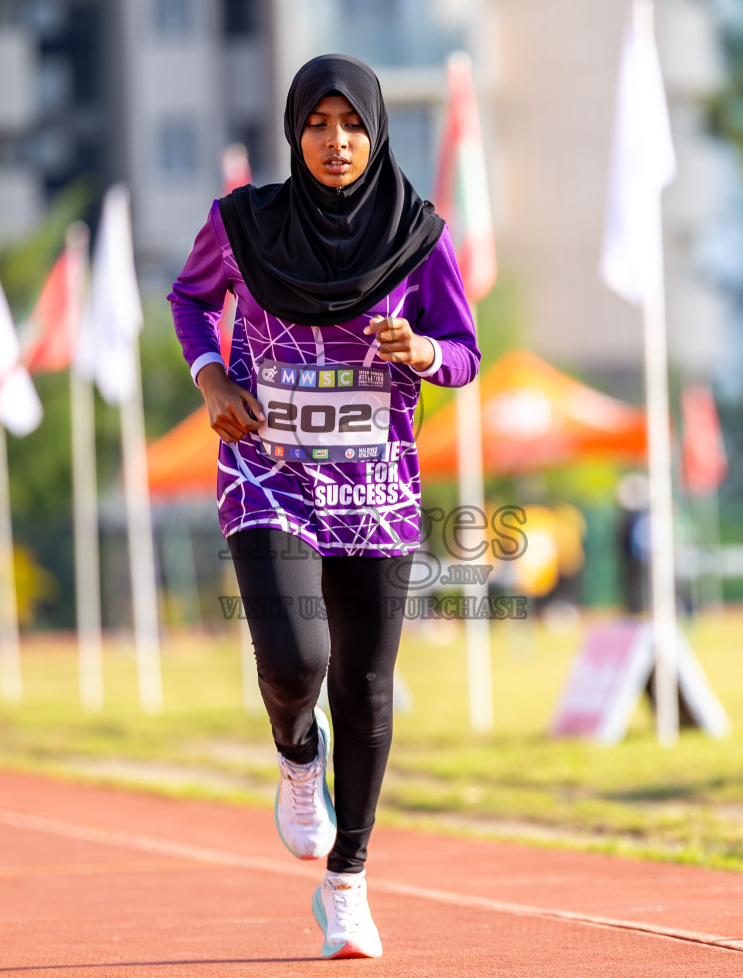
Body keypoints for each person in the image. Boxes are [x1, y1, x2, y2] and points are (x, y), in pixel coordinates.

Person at [169, 54, 479, 959]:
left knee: (368, 682)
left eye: (351, 125)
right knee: (297, 655)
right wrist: (212, 374)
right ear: (294, 130)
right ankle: (299, 757)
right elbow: (192, 301)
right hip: (268, 471)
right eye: (317, 124)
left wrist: (420, 350)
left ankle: (349, 883)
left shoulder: (419, 234)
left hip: (377, 484)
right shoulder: (242, 224)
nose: (335, 142)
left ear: (376, 131)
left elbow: (461, 348)